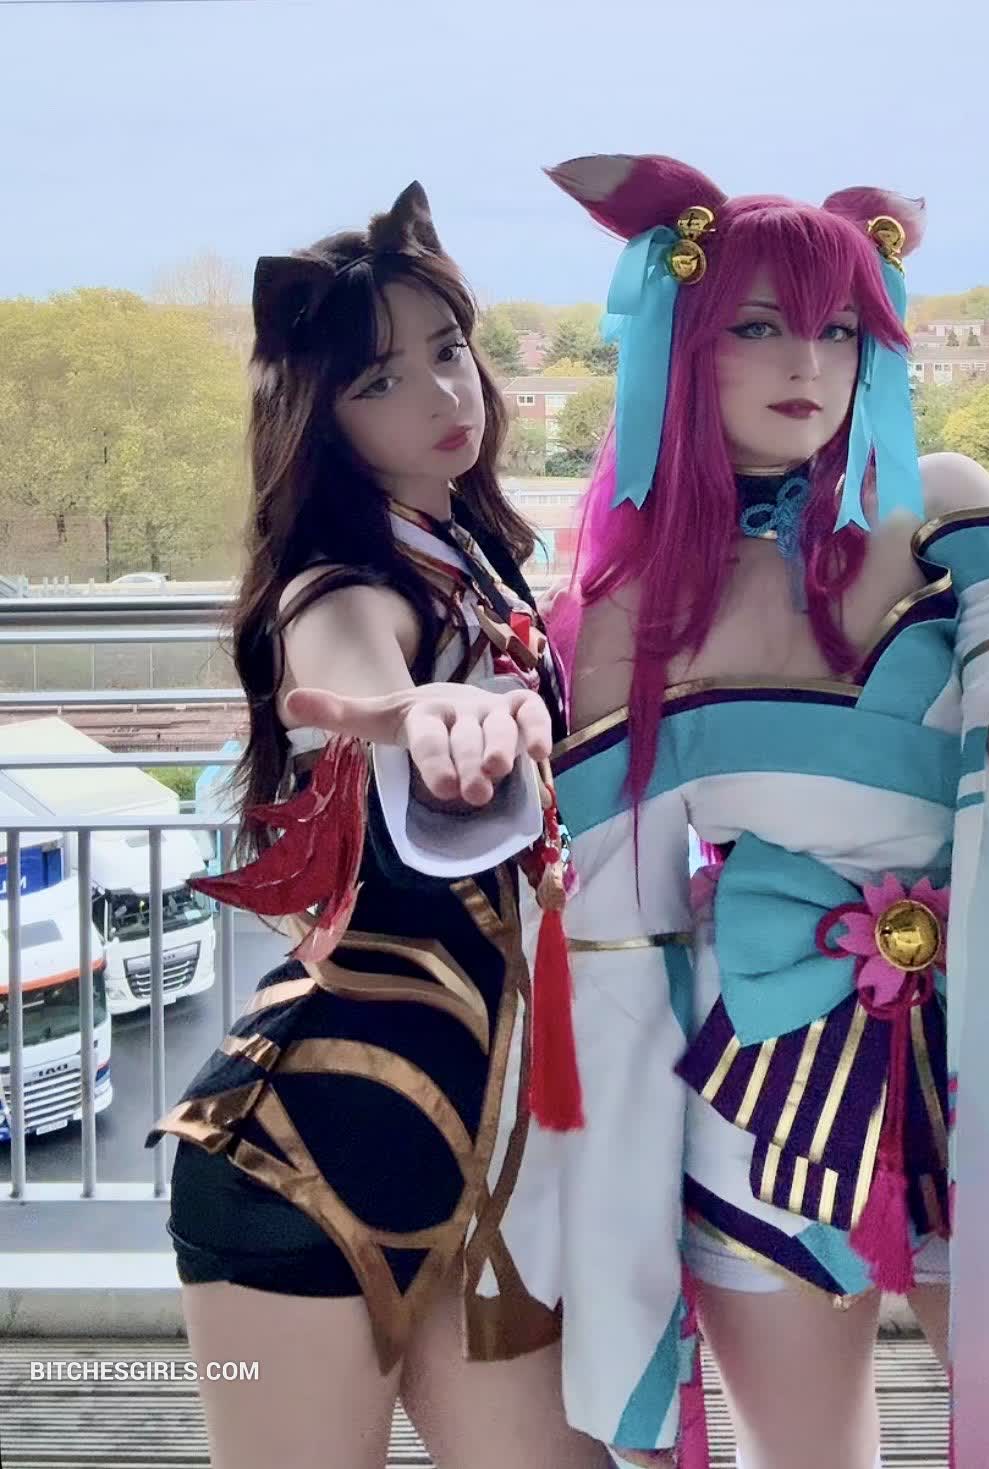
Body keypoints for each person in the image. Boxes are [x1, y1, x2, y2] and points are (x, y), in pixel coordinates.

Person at [542, 154, 989, 1469]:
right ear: (682, 342)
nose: (807, 362)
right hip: (759, 1080)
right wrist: (612, 1229)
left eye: (839, 329)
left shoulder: (943, 500)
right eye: (758, 325)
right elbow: (619, 939)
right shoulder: (627, 608)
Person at [147, 181, 607, 1469]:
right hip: (296, 1168)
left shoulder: (483, 564)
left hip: (478, 1174)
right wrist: (423, 714)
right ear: (320, 415)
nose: (443, 395)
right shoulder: (343, 585)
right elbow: (358, 666)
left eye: (449, 351)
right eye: (382, 381)